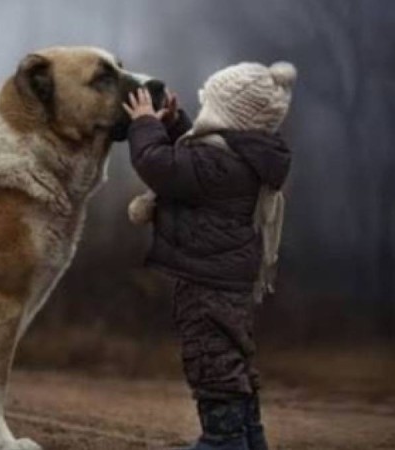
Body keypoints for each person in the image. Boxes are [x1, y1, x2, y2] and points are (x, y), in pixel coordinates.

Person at [122, 61, 297, 450]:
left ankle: (223, 441)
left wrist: (145, 123)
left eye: (209, 106)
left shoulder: (216, 163)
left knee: (211, 359)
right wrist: (174, 125)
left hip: (205, 282)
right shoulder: (243, 156)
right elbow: (195, 160)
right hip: (230, 279)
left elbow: (158, 164)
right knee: (233, 357)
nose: (204, 113)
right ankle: (248, 437)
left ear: (226, 115)